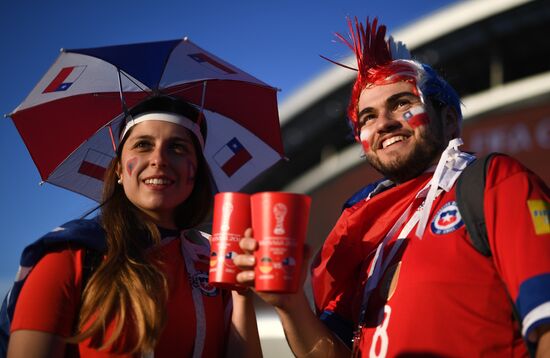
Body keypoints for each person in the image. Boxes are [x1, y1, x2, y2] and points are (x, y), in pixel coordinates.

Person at [235, 17, 550, 357]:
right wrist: (290, 304)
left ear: (448, 119)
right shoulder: (362, 232)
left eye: (401, 103)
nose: (383, 123)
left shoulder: (495, 183)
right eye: (367, 117)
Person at [7, 96, 262, 358]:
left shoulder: (215, 265)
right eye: (143, 145)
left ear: (196, 172)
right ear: (118, 169)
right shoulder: (70, 256)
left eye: (177, 147)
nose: (159, 159)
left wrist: (241, 296)